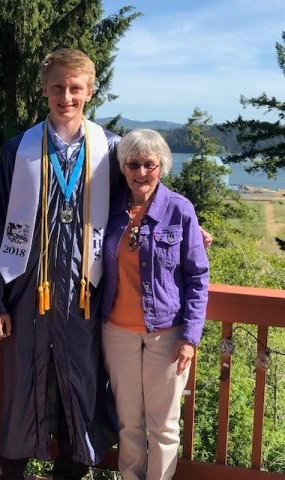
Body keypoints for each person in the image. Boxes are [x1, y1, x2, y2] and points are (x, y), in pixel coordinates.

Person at [0, 48, 121, 480]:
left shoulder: (110, 150)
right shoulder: (18, 149)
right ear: (44, 89)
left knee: (81, 374)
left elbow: (146, 194)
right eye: (58, 86)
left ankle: (73, 465)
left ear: (90, 90)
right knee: (24, 375)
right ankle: (14, 466)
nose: (67, 95)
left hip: (86, 287)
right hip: (28, 285)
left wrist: (190, 226)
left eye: (75, 87)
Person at [101, 129, 209, 480]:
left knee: (163, 426)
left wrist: (190, 337)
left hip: (168, 334)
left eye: (150, 164)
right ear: (123, 167)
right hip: (117, 333)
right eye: (133, 164)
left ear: (161, 167)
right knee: (129, 423)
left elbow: (197, 278)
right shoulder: (108, 209)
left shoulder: (179, 209)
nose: (141, 172)